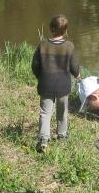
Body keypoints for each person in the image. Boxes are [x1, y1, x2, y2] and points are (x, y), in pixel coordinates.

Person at [31, 14, 81, 153]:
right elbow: (74, 67)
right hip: (63, 86)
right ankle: (62, 135)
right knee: (63, 112)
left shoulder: (43, 44)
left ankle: (43, 140)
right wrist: (77, 74)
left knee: (45, 113)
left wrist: (40, 76)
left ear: (51, 29)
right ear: (65, 31)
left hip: (46, 84)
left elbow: (35, 65)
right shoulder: (69, 46)